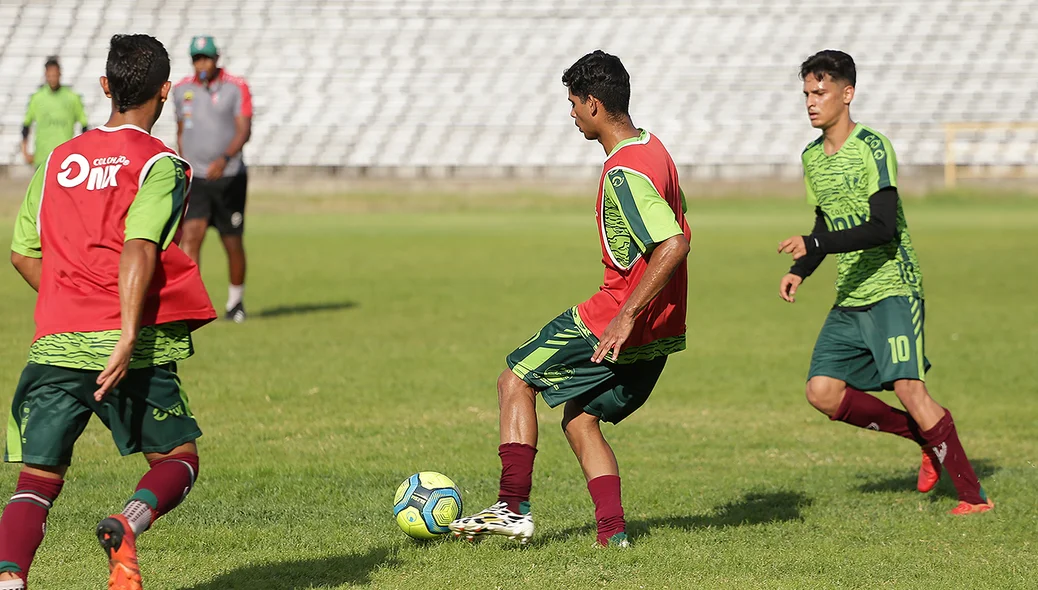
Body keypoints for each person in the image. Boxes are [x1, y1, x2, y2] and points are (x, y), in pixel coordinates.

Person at [0, 34, 216, 590]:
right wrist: (122, 334)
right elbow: (140, 246)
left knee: (35, 482)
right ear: (166, 91)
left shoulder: (58, 160)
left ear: (104, 87)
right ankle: (126, 523)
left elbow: (23, 252)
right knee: (178, 459)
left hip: (54, 342)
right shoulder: (162, 164)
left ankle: (9, 580)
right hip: (127, 347)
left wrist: (68, 298)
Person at [450, 50, 691, 547]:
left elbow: (674, 243)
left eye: (574, 103)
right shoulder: (656, 149)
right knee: (581, 419)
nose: (572, 114)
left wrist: (625, 317)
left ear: (595, 106)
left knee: (514, 380)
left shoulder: (625, 172)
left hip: (616, 318)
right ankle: (614, 537)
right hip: (663, 329)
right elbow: (680, 220)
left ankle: (512, 507)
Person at [777, 50, 992, 515]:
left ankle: (974, 497)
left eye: (821, 92)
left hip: (894, 285)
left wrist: (814, 248)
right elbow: (824, 224)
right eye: (806, 94)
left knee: (910, 389)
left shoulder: (873, 147)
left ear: (847, 94)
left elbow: (883, 227)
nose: (811, 102)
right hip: (851, 293)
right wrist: (801, 268)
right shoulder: (811, 157)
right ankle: (923, 437)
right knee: (821, 391)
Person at [172, 35, 253, 322]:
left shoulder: (235, 87)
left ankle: (235, 302)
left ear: (216, 58)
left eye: (205, 57)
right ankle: (191, 304)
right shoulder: (182, 91)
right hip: (197, 178)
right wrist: (184, 163)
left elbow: (244, 129)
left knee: (231, 241)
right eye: (196, 58)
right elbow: (182, 130)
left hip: (229, 177)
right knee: (190, 237)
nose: (201, 63)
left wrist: (225, 158)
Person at [21, 56, 89, 168]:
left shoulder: (72, 98)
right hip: (42, 158)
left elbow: (84, 126)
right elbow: (26, 125)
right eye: (49, 76)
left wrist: (83, 150)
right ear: (45, 76)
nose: (52, 78)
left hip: (65, 158)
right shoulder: (37, 98)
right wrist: (24, 151)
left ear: (60, 74)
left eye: (55, 75)